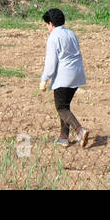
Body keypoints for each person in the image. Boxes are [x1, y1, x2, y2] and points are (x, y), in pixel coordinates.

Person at [39, 8, 89, 148]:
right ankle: (64, 138)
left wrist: (44, 79)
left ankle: (80, 130)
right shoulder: (71, 33)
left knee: (61, 107)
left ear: (51, 23)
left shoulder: (54, 36)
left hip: (64, 76)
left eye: (47, 25)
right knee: (65, 106)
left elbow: (51, 61)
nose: (47, 28)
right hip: (77, 74)